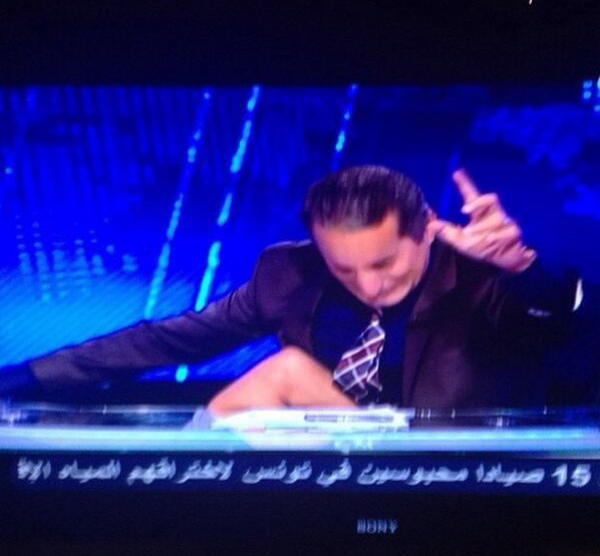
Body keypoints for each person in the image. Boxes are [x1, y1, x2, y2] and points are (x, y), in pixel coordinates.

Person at [0, 166, 581, 413]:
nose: (369, 286)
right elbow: (170, 341)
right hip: (316, 493)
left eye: (383, 263)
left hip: (460, 492)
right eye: (344, 268)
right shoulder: (289, 274)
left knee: (288, 373)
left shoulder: (482, 277)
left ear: (427, 227)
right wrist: (24, 379)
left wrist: (522, 267)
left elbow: (563, 327)